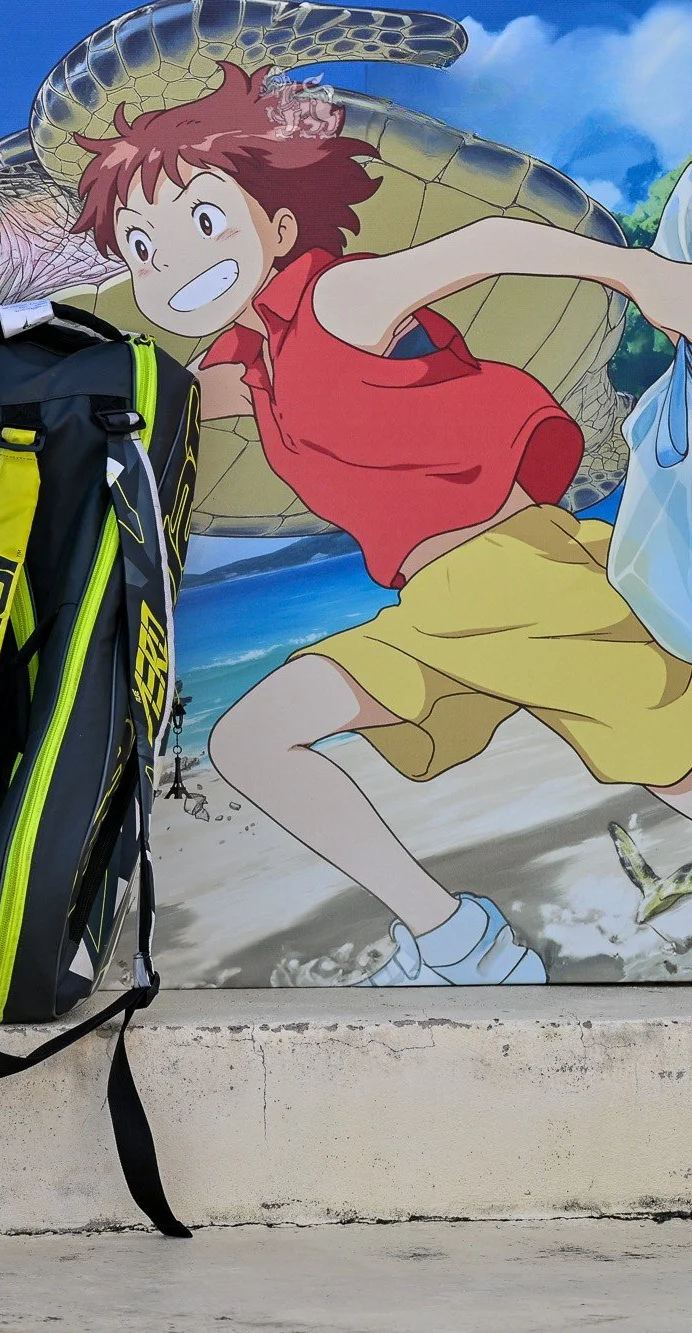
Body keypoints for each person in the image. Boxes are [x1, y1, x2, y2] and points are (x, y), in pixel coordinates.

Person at [70, 62, 692, 985]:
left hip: (519, 578)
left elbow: (480, 242)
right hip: (435, 610)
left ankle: (461, 943)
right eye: (144, 248)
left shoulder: (334, 303)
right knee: (250, 742)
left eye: (200, 221)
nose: (179, 262)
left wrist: (641, 274)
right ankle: (461, 943)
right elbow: (155, 404)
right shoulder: (253, 366)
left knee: (674, 768)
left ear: (278, 225)